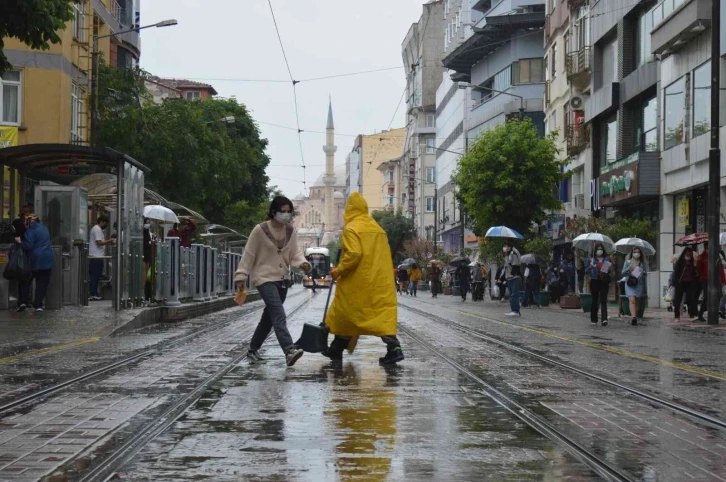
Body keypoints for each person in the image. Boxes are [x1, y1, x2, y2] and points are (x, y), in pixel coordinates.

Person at [322, 192, 404, 364]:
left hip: (358, 282)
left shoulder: (352, 229)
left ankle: (336, 349)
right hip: (379, 282)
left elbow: (354, 254)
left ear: (349, 210)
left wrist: (338, 270)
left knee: (346, 313)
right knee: (381, 315)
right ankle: (394, 349)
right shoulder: (378, 229)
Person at [234, 196, 311, 367]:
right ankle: (289, 350)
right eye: (282, 211)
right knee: (278, 313)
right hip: (264, 278)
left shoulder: (290, 231)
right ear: (273, 211)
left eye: (288, 211)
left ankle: (253, 349)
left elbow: (295, 254)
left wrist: (303, 264)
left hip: (282, 279)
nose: (285, 214)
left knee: (268, 318)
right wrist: (241, 276)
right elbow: (249, 254)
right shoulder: (260, 230)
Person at [16, 214, 54, 312]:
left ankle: (23, 302)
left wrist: (19, 242)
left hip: (34, 260)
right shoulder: (45, 229)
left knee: (25, 280)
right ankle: (38, 305)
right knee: (42, 283)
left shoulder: (31, 230)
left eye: (26, 221)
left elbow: (28, 245)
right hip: (47, 259)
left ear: (30, 222)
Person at [89, 215, 114, 301]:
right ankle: (93, 294)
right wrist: (109, 241)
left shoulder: (96, 229)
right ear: (102, 222)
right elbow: (98, 243)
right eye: (105, 224)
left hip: (97, 256)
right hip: (96, 256)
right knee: (95, 276)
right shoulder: (97, 229)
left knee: (96, 276)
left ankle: (94, 293)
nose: (105, 225)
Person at [585, 242, 611, 326]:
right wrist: (590, 266)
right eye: (598, 249)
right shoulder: (591, 259)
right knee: (594, 300)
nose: (599, 251)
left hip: (604, 281)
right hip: (594, 280)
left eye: (601, 249)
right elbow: (586, 271)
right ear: (595, 250)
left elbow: (609, 271)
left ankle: (604, 319)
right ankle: (594, 319)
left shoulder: (606, 259)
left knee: (603, 300)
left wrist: (609, 268)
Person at [672, 247, 699, 322]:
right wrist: (675, 282)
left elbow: (693, 272)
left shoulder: (692, 262)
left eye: (690, 254)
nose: (688, 256)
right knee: (678, 300)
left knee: (690, 299)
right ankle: (677, 316)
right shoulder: (680, 262)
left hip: (690, 282)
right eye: (687, 254)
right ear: (684, 254)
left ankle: (691, 315)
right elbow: (676, 273)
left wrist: (696, 273)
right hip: (680, 282)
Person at [622, 247, 647, 325]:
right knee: (632, 300)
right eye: (635, 252)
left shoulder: (642, 263)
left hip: (638, 284)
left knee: (636, 301)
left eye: (638, 252)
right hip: (630, 284)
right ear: (632, 253)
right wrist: (629, 269)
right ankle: (634, 318)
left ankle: (635, 316)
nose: (637, 253)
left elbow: (646, 274)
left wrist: (642, 272)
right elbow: (622, 273)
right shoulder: (628, 262)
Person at [502, 241, 522, 316]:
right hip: (510, 278)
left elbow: (515, 265)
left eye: (505, 246)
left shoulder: (513, 253)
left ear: (509, 247)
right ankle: (513, 310)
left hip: (514, 277)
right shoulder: (508, 254)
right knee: (511, 295)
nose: (504, 248)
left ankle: (515, 311)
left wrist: (512, 274)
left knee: (514, 294)